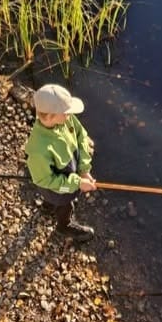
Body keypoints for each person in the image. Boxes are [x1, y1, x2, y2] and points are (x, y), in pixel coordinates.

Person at [24, 83, 98, 241]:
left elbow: (81, 135)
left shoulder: (66, 119)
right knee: (65, 203)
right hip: (57, 187)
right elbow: (45, 180)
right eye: (65, 113)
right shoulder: (38, 149)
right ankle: (64, 225)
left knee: (58, 198)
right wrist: (78, 183)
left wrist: (84, 169)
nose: (69, 115)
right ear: (50, 116)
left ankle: (48, 207)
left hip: (70, 175)